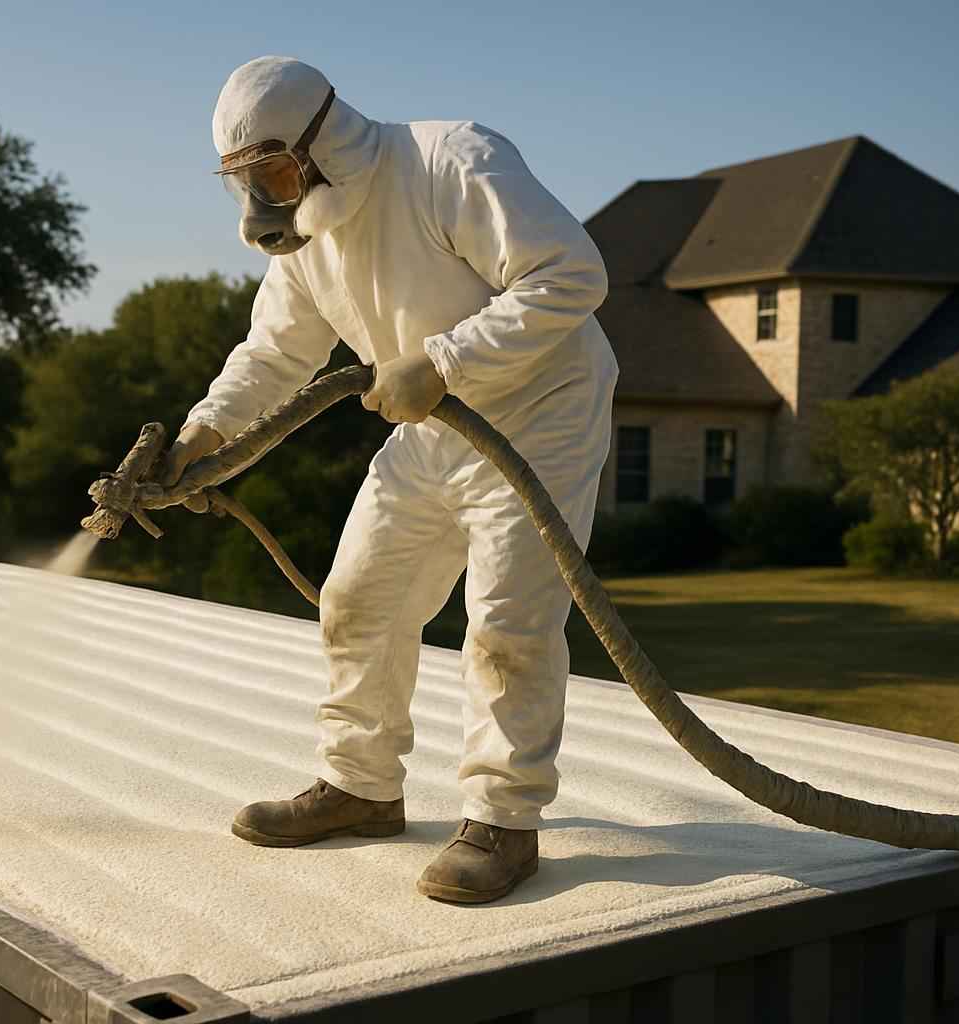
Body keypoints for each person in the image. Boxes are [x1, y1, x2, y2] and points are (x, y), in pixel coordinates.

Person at [163, 56, 616, 904]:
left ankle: (504, 823)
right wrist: (207, 433)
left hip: (539, 412)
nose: (265, 196)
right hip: (431, 426)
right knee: (359, 598)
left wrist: (444, 360)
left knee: (508, 624)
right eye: (245, 179)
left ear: (322, 138)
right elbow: (275, 353)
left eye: (274, 170)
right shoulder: (307, 237)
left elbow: (572, 274)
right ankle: (361, 788)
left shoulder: (451, 160)